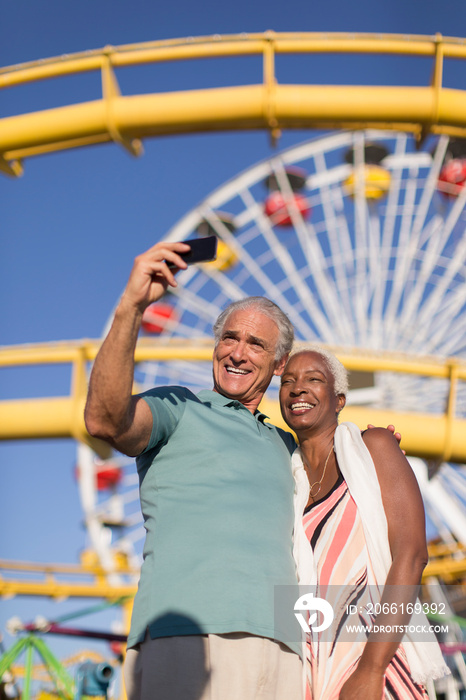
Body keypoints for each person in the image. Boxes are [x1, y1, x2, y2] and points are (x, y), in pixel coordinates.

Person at [84, 241, 304, 700]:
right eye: (229, 337)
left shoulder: (288, 446)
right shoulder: (180, 407)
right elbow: (104, 421)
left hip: (286, 645)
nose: (238, 353)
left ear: (280, 364)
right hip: (187, 632)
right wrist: (132, 307)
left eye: (256, 344)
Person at [279, 345, 449, 700]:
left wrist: (371, 668)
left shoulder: (375, 447)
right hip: (310, 670)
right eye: (288, 381)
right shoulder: (285, 481)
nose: (298, 389)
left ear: (339, 400)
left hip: (377, 662)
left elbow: (412, 555)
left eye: (314, 379)